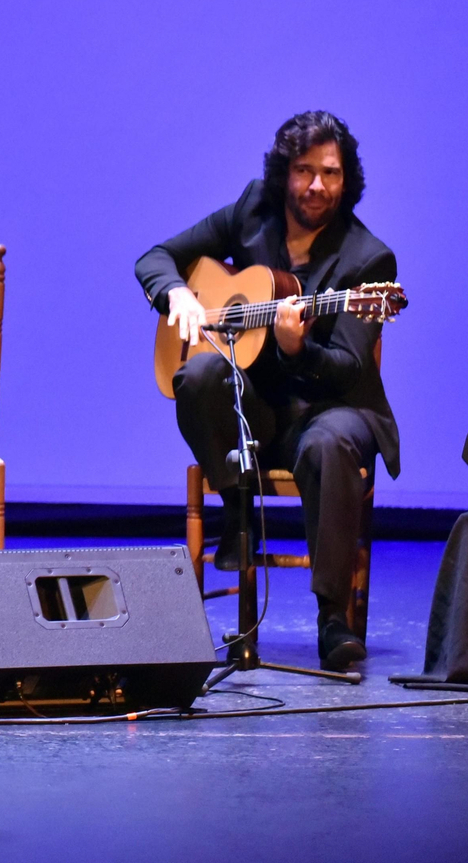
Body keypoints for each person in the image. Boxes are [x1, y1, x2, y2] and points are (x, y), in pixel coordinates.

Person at [134, 110, 399, 671]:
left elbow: (351, 369)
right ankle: (237, 509)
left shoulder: (367, 259)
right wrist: (178, 295)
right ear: (285, 174)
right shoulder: (253, 209)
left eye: (330, 172)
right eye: (305, 171)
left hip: (327, 408)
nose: (318, 186)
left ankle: (332, 619)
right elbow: (153, 258)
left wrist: (296, 346)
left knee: (331, 441)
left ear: (347, 179)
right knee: (199, 374)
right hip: (252, 415)